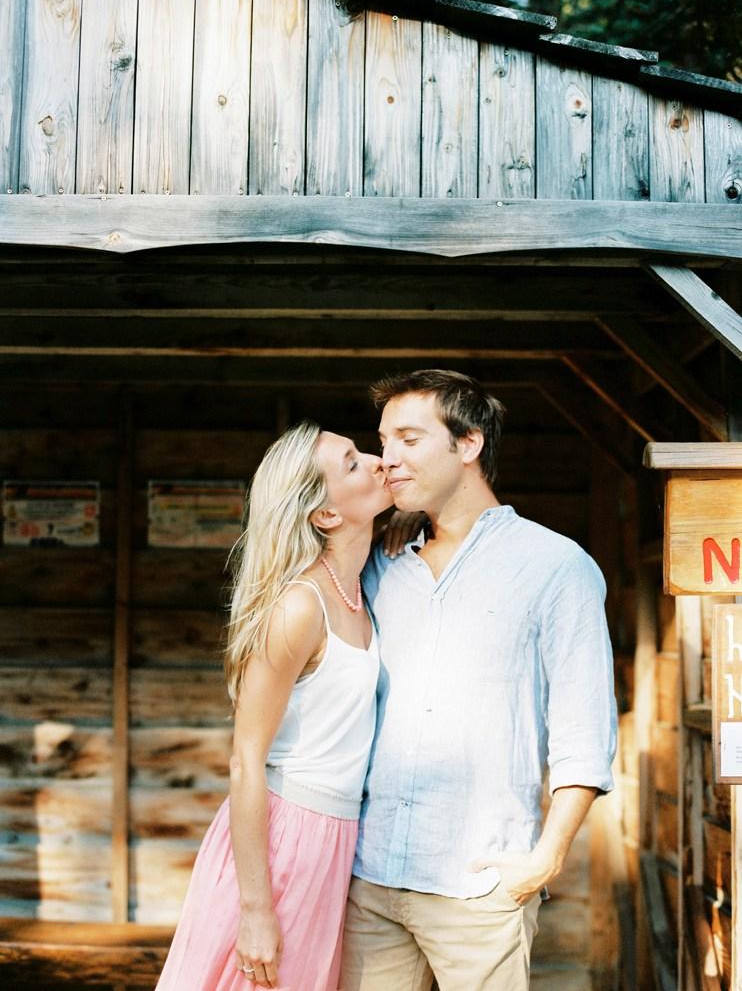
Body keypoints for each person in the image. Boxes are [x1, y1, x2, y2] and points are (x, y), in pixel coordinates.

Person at [341, 369, 617, 991]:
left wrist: (543, 860)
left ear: (468, 445)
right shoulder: (381, 566)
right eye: (384, 442)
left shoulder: (556, 565)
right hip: (373, 873)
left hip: (480, 881)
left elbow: (585, 727)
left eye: (409, 440)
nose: (387, 460)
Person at [156, 420, 392, 991]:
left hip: (337, 841)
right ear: (327, 514)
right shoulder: (299, 606)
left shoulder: (363, 589)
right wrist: (256, 908)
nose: (378, 459)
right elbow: (245, 757)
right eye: (354, 461)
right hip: (285, 838)